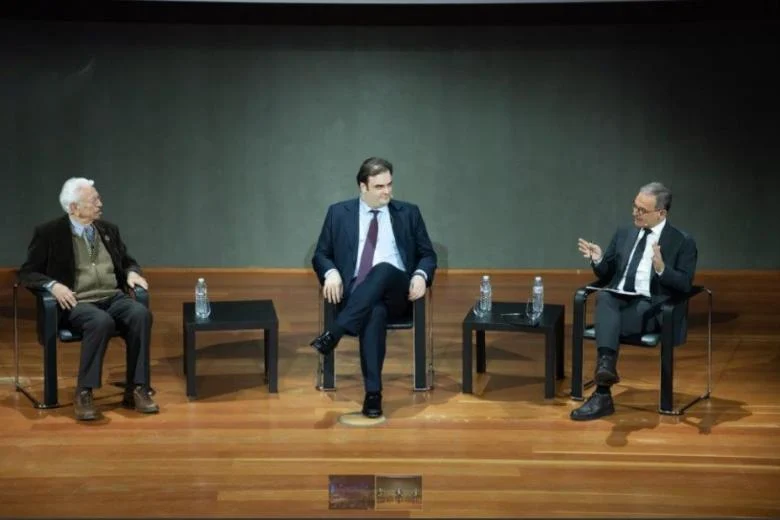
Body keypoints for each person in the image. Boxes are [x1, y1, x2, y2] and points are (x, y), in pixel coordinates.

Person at [18, 177, 159, 421]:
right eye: (94, 200)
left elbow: (127, 261)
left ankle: (137, 388)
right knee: (100, 321)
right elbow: (27, 273)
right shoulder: (49, 233)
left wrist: (132, 272)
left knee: (140, 314)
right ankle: (84, 392)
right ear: (74, 207)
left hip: (112, 297)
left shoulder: (108, 230)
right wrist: (53, 285)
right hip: (78, 302)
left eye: (98, 199)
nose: (100, 204)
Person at [310, 157, 437, 418]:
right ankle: (373, 395)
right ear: (363, 186)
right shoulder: (338, 213)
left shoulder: (408, 213)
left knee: (383, 269)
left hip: (398, 292)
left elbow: (427, 254)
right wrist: (331, 272)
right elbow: (321, 254)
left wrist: (421, 275)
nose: (387, 191)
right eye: (379, 186)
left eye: (389, 184)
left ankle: (334, 332)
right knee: (374, 312)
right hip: (358, 295)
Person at [571, 182, 697, 421]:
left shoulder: (682, 241)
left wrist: (662, 269)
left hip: (651, 305)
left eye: (642, 210)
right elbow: (607, 274)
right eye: (634, 206)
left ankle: (602, 391)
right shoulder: (624, 233)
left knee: (608, 322)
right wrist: (598, 259)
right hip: (618, 299)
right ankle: (605, 370)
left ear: (661, 213)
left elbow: (685, 285)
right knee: (605, 296)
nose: (635, 213)